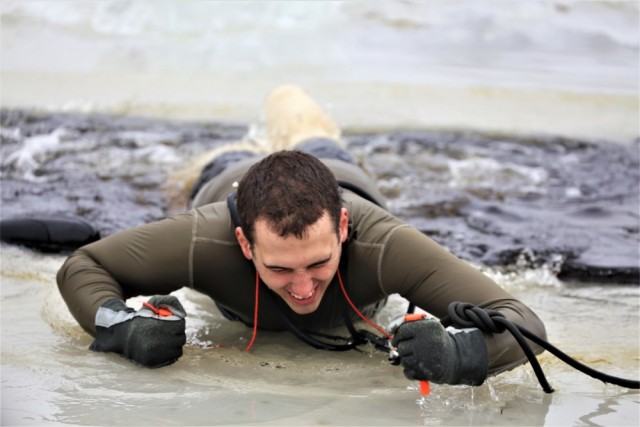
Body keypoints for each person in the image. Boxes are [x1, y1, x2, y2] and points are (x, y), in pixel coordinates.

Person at [56, 85, 547, 387]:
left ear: (344, 228)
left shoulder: (383, 246)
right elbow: (83, 267)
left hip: (336, 171)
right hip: (228, 176)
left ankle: (287, 102)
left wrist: (456, 355)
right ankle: (246, 145)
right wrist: (124, 330)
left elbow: (526, 325)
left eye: (318, 262)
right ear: (246, 246)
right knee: (193, 173)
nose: (303, 286)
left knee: (298, 112)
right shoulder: (204, 238)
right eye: (279, 267)